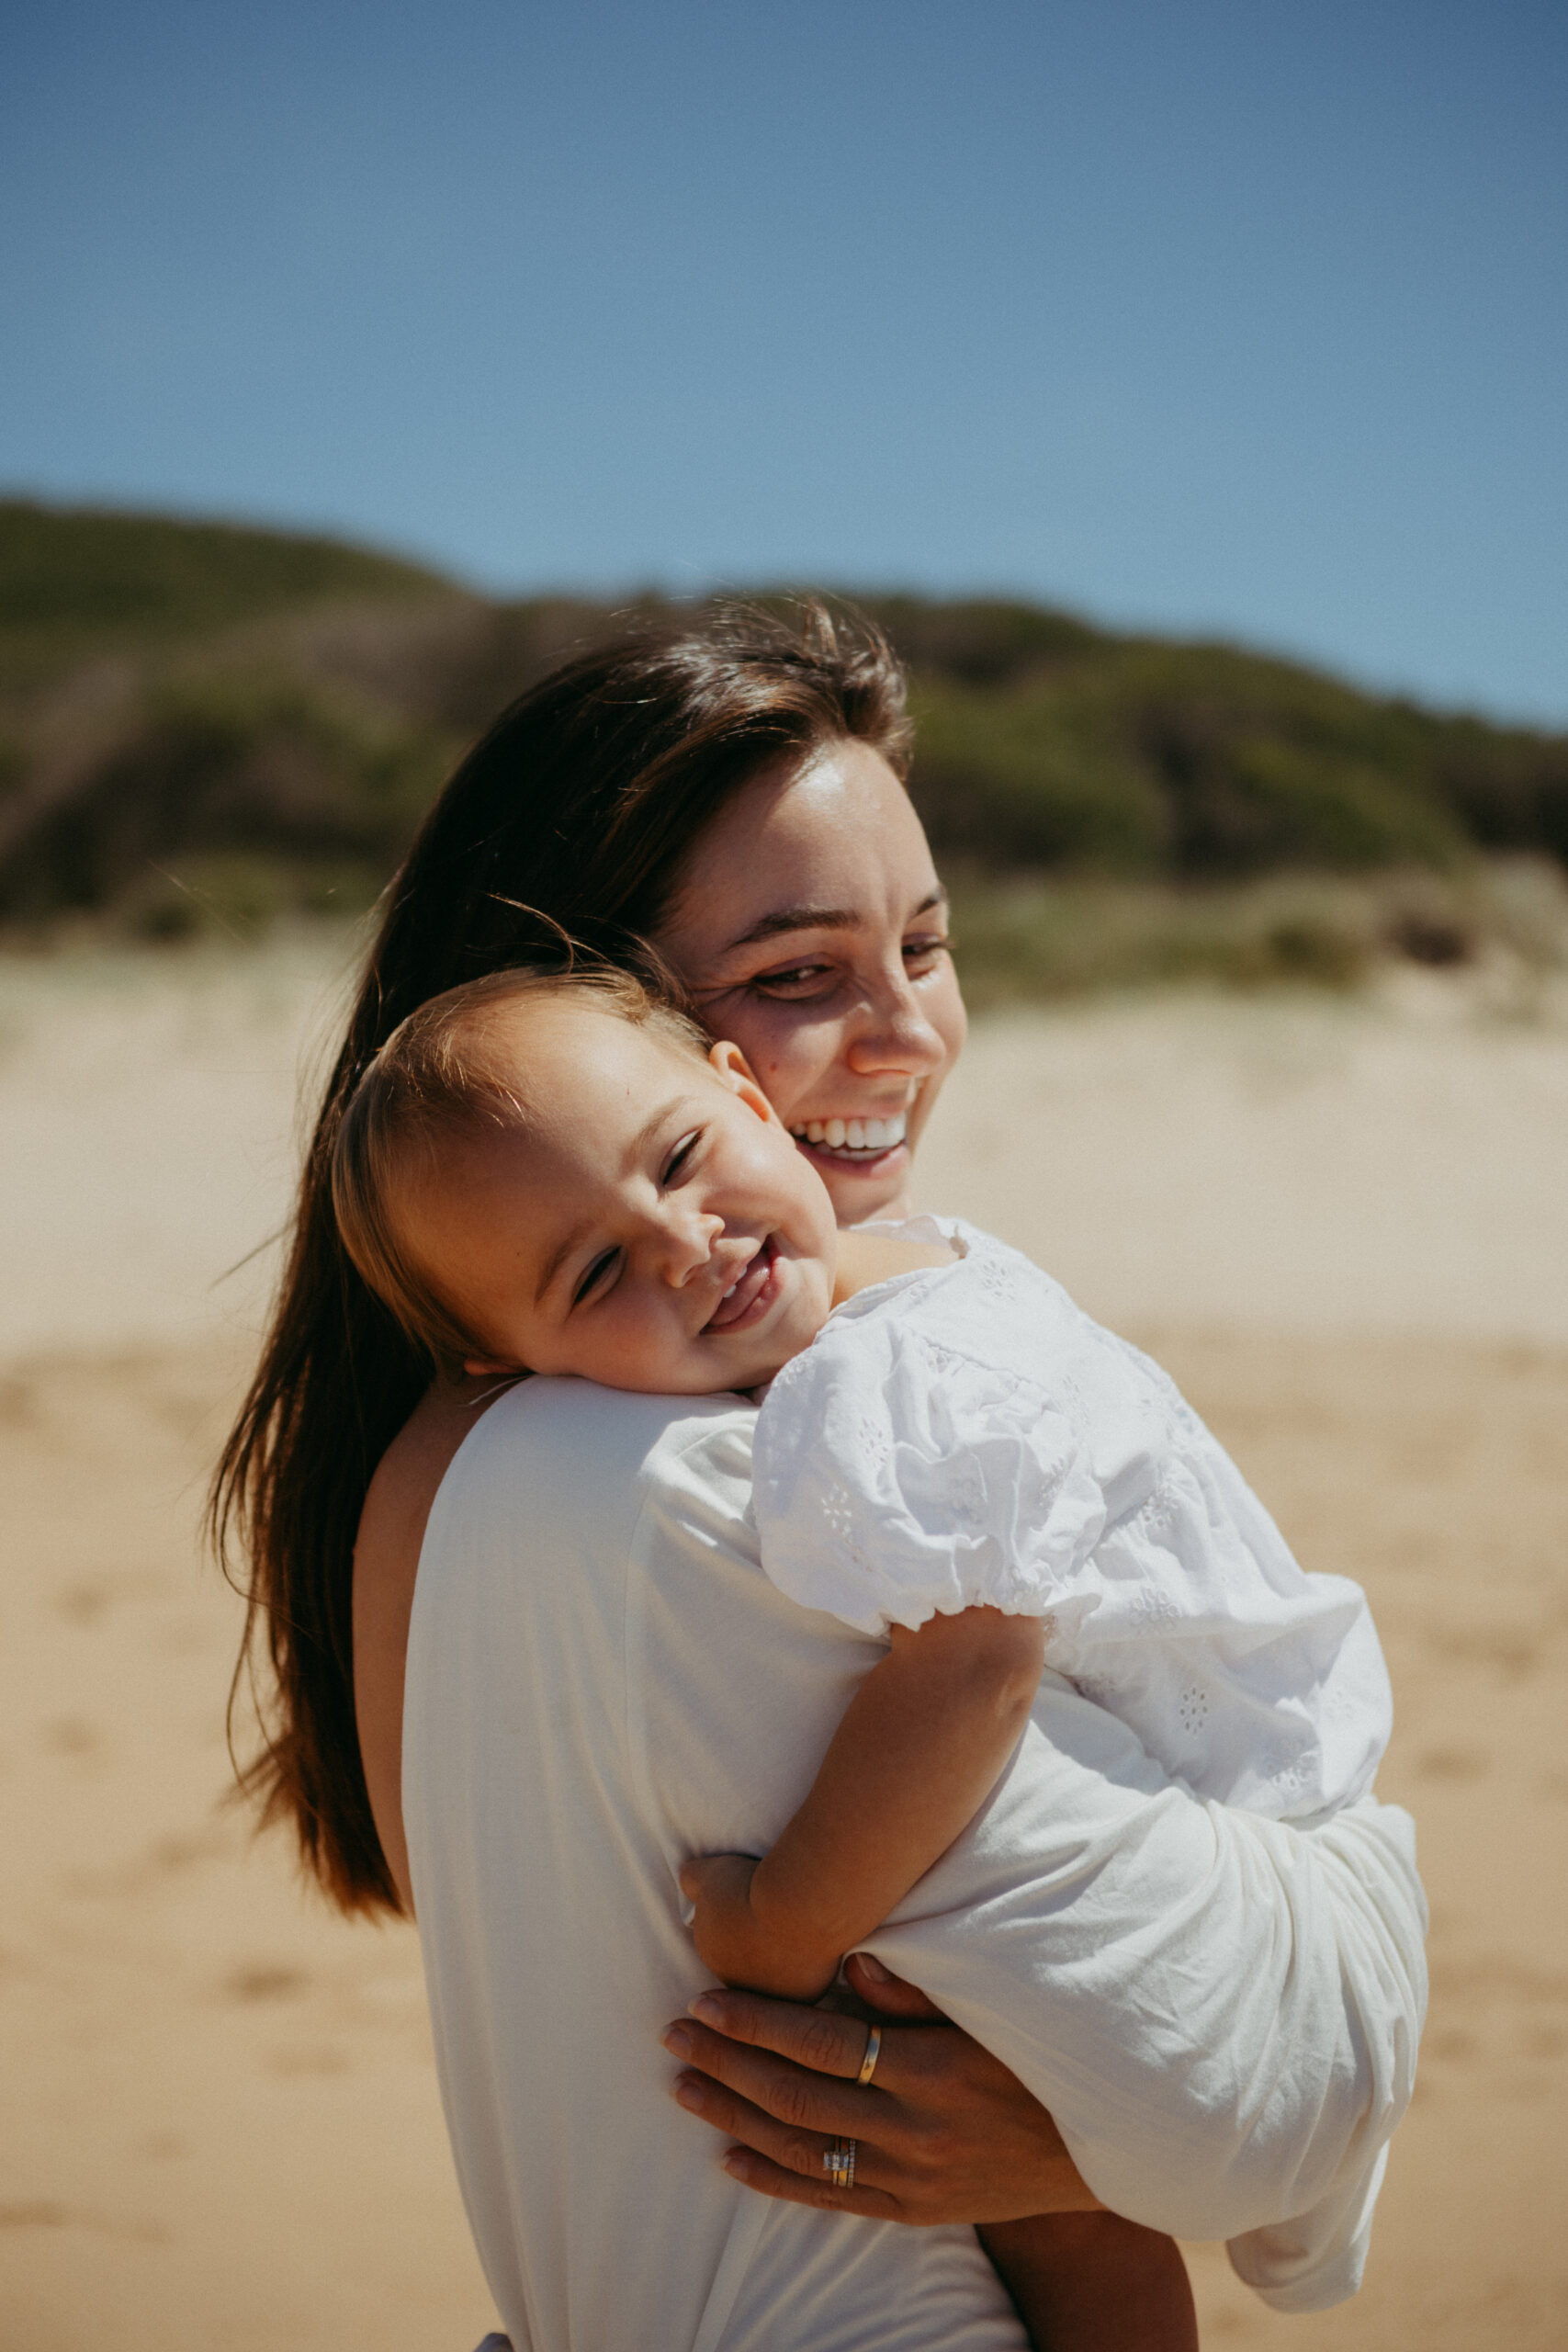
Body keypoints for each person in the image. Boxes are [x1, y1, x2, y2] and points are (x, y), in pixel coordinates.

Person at [213, 607, 1427, 2352]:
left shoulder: (825, 1362)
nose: (909, 1037)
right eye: (797, 973)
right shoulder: (573, 1460)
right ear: (586, 1007)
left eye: (923, 947)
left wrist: (1058, 2146)